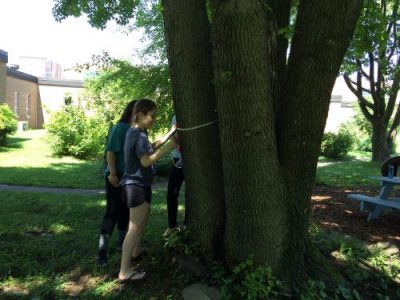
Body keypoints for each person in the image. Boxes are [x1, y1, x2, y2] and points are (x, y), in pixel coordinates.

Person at [118, 99, 176, 282]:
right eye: (152, 116)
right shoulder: (138, 135)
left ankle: (136, 251)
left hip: (137, 185)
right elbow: (145, 161)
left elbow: (150, 147)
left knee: (140, 222)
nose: (154, 119)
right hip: (136, 186)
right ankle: (124, 271)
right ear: (140, 115)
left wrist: (170, 133)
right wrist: (169, 147)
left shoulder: (135, 132)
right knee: (133, 228)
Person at [97, 100, 137, 267]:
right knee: (112, 212)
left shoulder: (137, 130)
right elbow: (111, 152)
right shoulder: (120, 128)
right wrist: (112, 173)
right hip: (116, 175)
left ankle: (121, 244)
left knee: (125, 211)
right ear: (133, 112)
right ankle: (102, 253)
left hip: (129, 177)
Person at [163, 115, 186, 237]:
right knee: (171, 193)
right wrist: (176, 143)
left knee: (193, 193)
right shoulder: (176, 116)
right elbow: (172, 133)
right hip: (178, 159)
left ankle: (187, 223)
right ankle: (171, 225)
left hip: (195, 160)